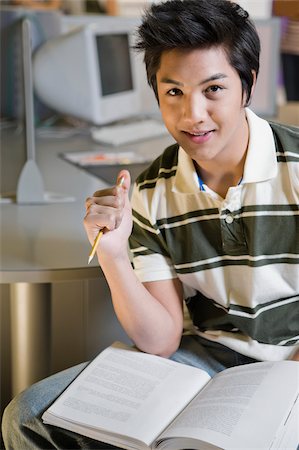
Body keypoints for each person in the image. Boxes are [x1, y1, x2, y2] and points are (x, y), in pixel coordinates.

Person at [2, 0, 299, 448]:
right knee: (29, 415)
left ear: (247, 84)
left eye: (213, 89)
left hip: (291, 363)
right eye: (174, 92)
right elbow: (160, 340)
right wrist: (114, 253)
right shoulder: (149, 192)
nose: (192, 114)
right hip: (204, 362)